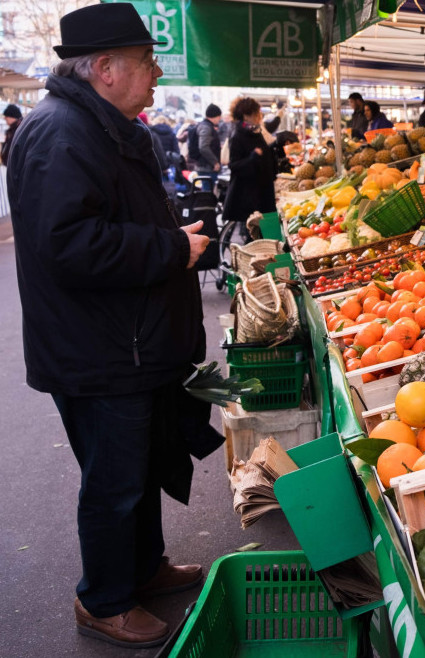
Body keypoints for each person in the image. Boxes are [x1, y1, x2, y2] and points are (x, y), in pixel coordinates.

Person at [5, 3, 221, 649]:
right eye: (146, 62)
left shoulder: (98, 125)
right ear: (104, 68)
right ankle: (103, 600)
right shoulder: (60, 133)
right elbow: (68, 246)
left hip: (129, 341)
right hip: (99, 350)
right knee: (115, 482)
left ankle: (141, 569)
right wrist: (170, 248)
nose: (156, 74)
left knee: (142, 466)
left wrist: (168, 237)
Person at [222, 96, 276, 235]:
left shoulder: (254, 130)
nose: (259, 116)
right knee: (257, 234)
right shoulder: (238, 135)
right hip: (251, 195)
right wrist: (253, 157)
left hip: (263, 190)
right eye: (256, 113)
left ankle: (274, 249)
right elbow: (234, 165)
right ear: (246, 116)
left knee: (270, 234)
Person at [187, 103, 221, 180]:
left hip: (204, 166)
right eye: (219, 116)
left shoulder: (205, 125)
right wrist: (215, 162)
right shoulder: (206, 127)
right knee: (207, 186)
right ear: (215, 116)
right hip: (206, 167)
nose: (220, 119)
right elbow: (203, 147)